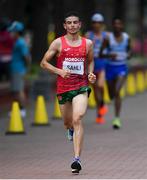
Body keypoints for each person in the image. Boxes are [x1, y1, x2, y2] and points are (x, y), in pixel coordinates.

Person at [40, 12, 96, 173]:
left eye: (75, 22)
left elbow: (91, 60)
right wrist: (59, 71)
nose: (72, 25)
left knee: (78, 118)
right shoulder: (58, 43)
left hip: (81, 86)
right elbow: (43, 63)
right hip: (64, 88)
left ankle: (76, 159)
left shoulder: (88, 43)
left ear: (80, 25)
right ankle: (69, 129)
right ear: (65, 26)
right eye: (69, 23)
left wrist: (91, 73)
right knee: (67, 122)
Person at [99, 17, 131, 129]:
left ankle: (117, 119)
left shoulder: (127, 37)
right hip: (110, 68)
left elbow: (129, 50)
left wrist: (129, 55)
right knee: (112, 94)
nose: (117, 26)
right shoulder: (108, 38)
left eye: (119, 23)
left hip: (121, 67)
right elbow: (100, 54)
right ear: (112, 25)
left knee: (117, 91)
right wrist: (109, 55)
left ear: (122, 25)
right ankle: (111, 98)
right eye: (115, 24)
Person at [85, 13, 108, 124]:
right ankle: (99, 113)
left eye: (99, 22)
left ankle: (102, 104)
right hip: (91, 66)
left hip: (102, 65)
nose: (96, 24)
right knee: (95, 91)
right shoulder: (88, 35)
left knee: (100, 86)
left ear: (101, 24)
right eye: (94, 22)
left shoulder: (106, 36)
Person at [8, 21, 31, 117]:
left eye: (12, 32)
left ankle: (22, 109)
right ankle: (17, 109)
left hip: (18, 69)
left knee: (19, 90)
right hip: (16, 69)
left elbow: (26, 56)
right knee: (16, 90)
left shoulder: (20, 43)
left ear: (17, 32)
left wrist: (26, 68)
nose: (11, 34)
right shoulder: (18, 42)